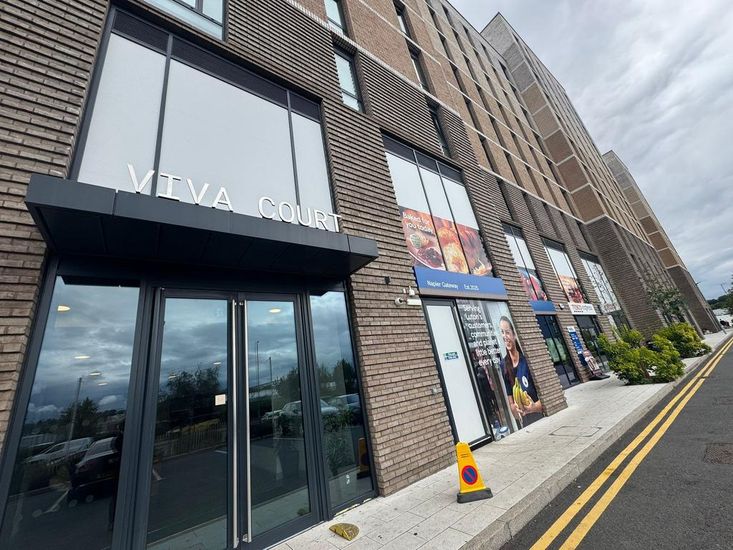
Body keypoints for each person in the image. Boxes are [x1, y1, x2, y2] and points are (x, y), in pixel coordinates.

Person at [499, 316, 543, 426]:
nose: (505, 336)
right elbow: (510, 399)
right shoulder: (503, 365)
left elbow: (546, 396)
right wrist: (514, 409)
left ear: (514, 335)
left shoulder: (526, 360)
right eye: (502, 332)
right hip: (525, 423)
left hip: (540, 418)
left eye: (507, 332)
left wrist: (534, 407)